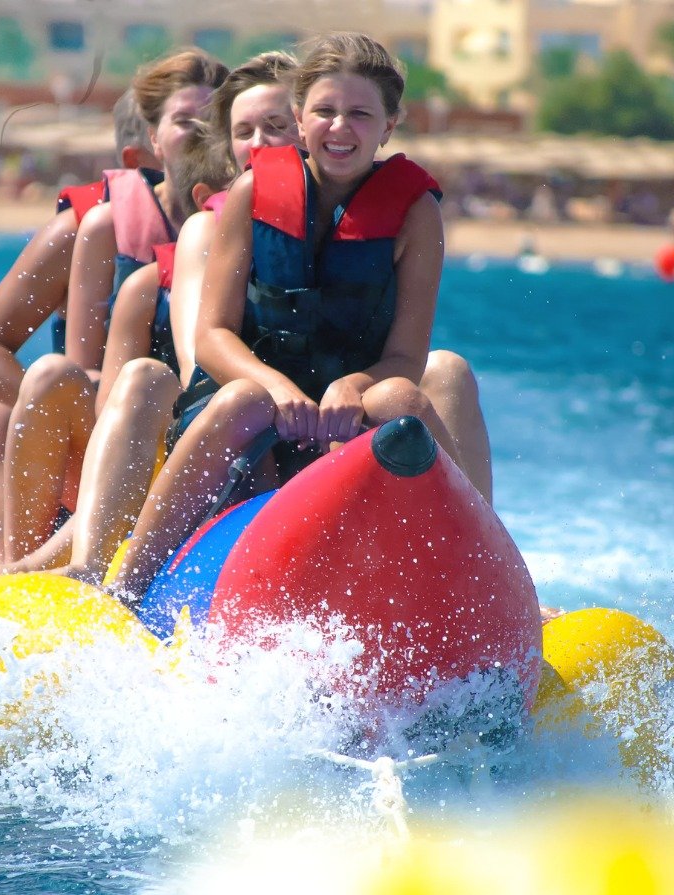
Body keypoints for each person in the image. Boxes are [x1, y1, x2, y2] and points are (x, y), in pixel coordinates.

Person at [107, 32, 458, 601]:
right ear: (299, 119)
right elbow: (212, 333)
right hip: (247, 411)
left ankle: (488, 580)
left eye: (360, 113)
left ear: (389, 126)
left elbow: (406, 356)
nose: (340, 128)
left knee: (400, 400)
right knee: (243, 398)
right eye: (324, 111)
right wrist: (274, 385)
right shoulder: (251, 193)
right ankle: (128, 586)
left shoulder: (416, 214)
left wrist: (353, 383)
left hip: (346, 417)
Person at [0, 52, 296, 579]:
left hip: (226, 433)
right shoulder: (113, 238)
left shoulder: (312, 226)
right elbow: (18, 360)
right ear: (147, 139)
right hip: (142, 422)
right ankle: (14, 571)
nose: (201, 136)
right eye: (187, 123)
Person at [0, 90, 160, 566]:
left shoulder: (226, 223)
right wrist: (48, 418)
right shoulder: (83, 230)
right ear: (145, 149)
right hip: (92, 419)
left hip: (155, 430)